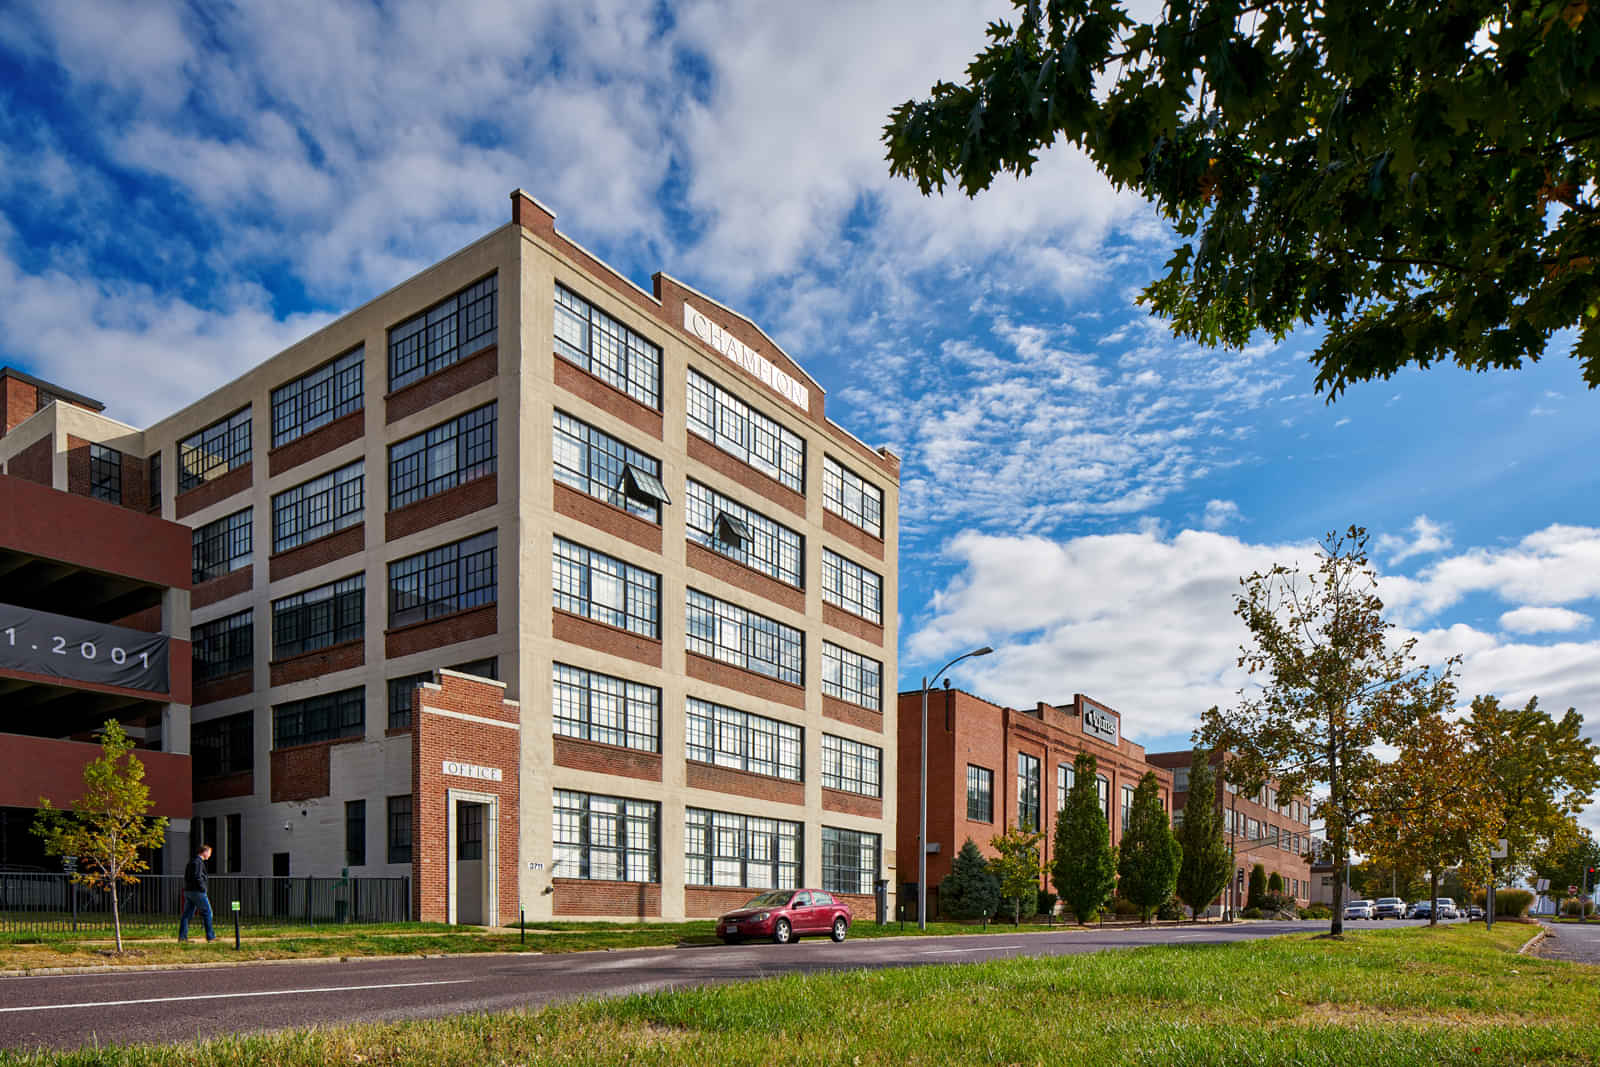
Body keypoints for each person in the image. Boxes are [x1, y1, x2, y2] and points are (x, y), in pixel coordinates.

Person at [179, 843, 216, 942]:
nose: (210, 855)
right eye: (209, 853)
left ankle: (182, 937)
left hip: (189, 891)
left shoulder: (191, 861)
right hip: (197, 892)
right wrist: (203, 888)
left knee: (186, 915)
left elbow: (187, 876)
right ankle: (210, 937)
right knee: (208, 912)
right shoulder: (198, 862)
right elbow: (197, 877)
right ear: (205, 852)